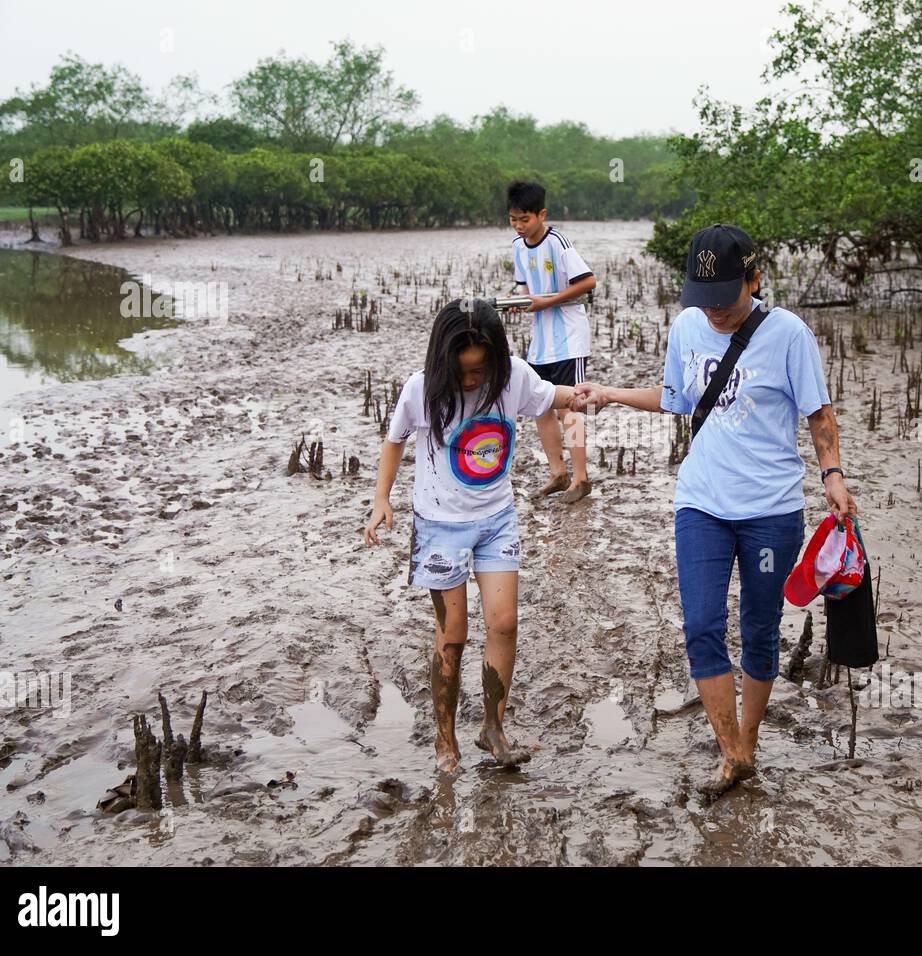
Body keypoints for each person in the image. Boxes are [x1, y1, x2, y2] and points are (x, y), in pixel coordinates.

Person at [574, 224, 856, 795]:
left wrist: (833, 476)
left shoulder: (789, 336)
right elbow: (676, 398)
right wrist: (610, 393)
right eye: (703, 300)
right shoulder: (687, 326)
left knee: (758, 628)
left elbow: (820, 416)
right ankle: (730, 752)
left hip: (771, 509)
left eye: (725, 299)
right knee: (702, 626)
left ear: (755, 279)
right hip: (700, 502)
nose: (714, 313)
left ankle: (745, 744)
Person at [363, 298, 576, 773]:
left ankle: (492, 727)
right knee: (452, 633)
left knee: (504, 623)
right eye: (463, 372)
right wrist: (382, 499)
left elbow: (550, 397)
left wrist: (584, 395)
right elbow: (394, 440)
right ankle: (445, 740)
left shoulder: (514, 376)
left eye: (482, 370)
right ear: (443, 362)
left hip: (496, 518)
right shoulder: (420, 390)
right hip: (439, 526)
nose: (473, 381)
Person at [507, 180, 597, 503]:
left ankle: (581, 477)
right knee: (541, 405)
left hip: (569, 339)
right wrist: (518, 302)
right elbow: (523, 288)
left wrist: (548, 301)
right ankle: (557, 473)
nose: (518, 226)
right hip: (540, 342)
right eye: (513, 219)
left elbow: (588, 282)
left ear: (541, 214)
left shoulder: (558, 242)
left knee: (571, 407)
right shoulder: (518, 247)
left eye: (524, 219)